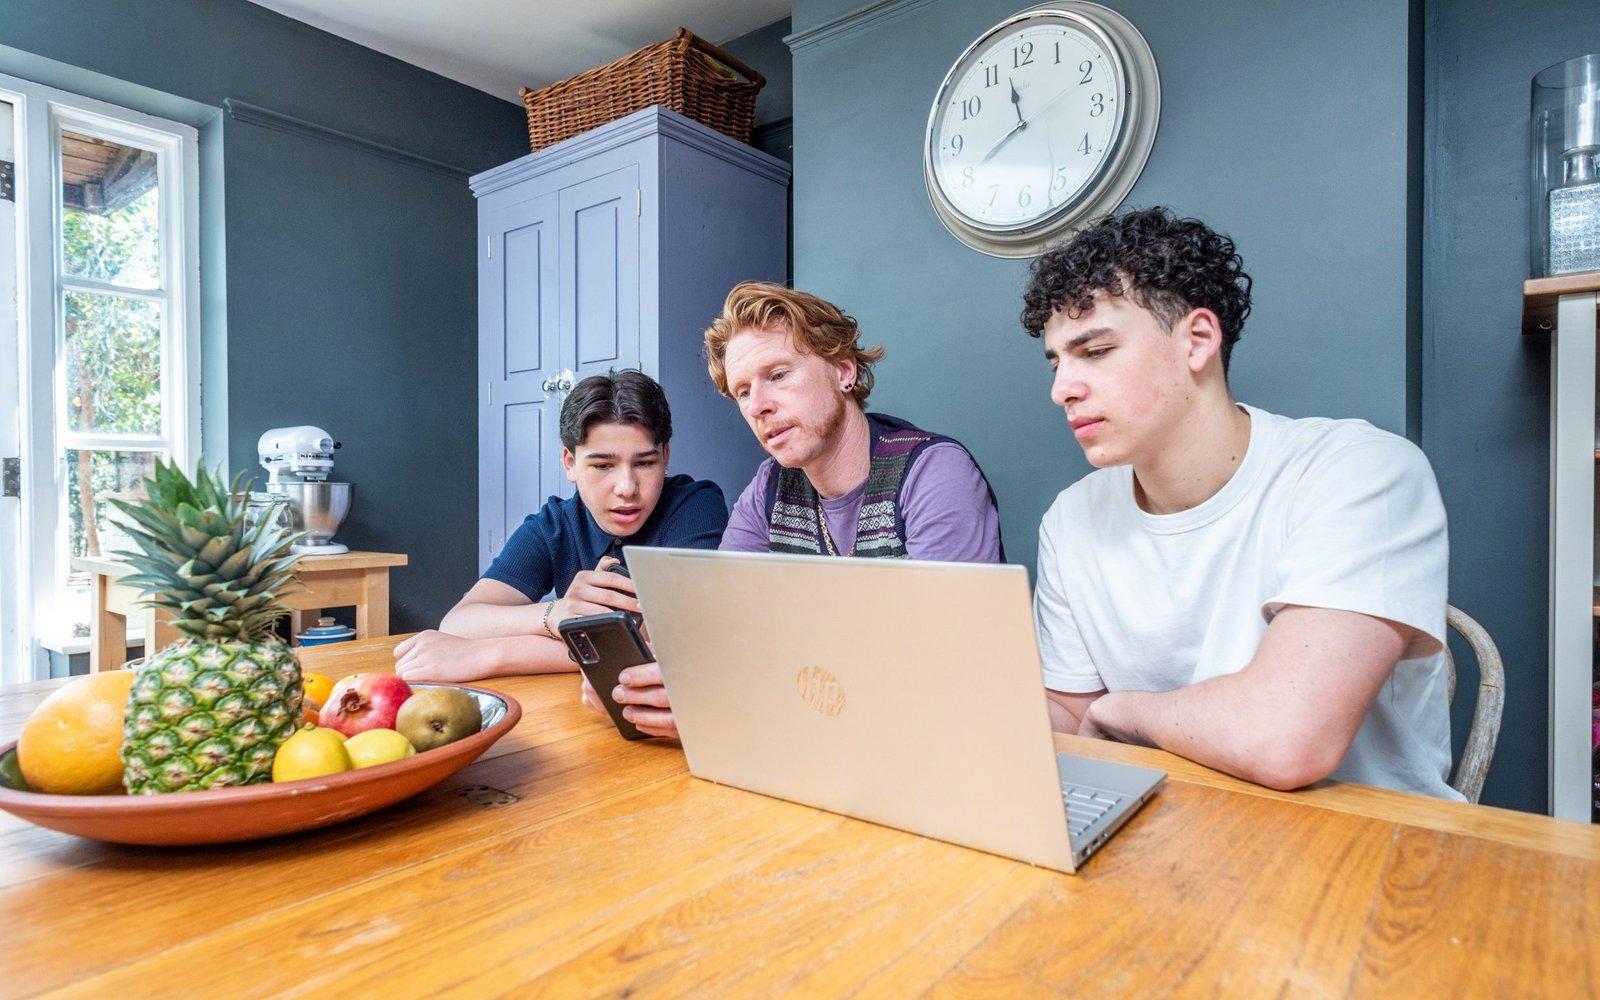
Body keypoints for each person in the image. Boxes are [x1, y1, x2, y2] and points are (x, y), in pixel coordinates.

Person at [1020, 206, 1458, 799]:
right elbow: (1076, 724)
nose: (1060, 389)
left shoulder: (1361, 471)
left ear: (1197, 340)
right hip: (1169, 830)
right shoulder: (1071, 519)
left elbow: (1286, 740)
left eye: (1094, 352)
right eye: (1056, 361)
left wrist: (1122, 710)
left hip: (1369, 852)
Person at [590, 282, 1004, 737]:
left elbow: (939, 664)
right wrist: (644, 672)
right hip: (821, 737)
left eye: (779, 374)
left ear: (844, 370)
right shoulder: (770, 487)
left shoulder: (933, 473)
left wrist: (725, 699)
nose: (760, 406)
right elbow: (715, 624)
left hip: (945, 742)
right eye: (743, 391)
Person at [395, 370, 727, 683]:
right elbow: (458, 623)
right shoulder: (554, 525)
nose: (627, 487)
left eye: (644, 463)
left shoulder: (695, 506)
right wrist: (556, 613)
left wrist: (492, 654)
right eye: (602, 465)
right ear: (570, 463)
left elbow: (681, 634)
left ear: (666, 457)